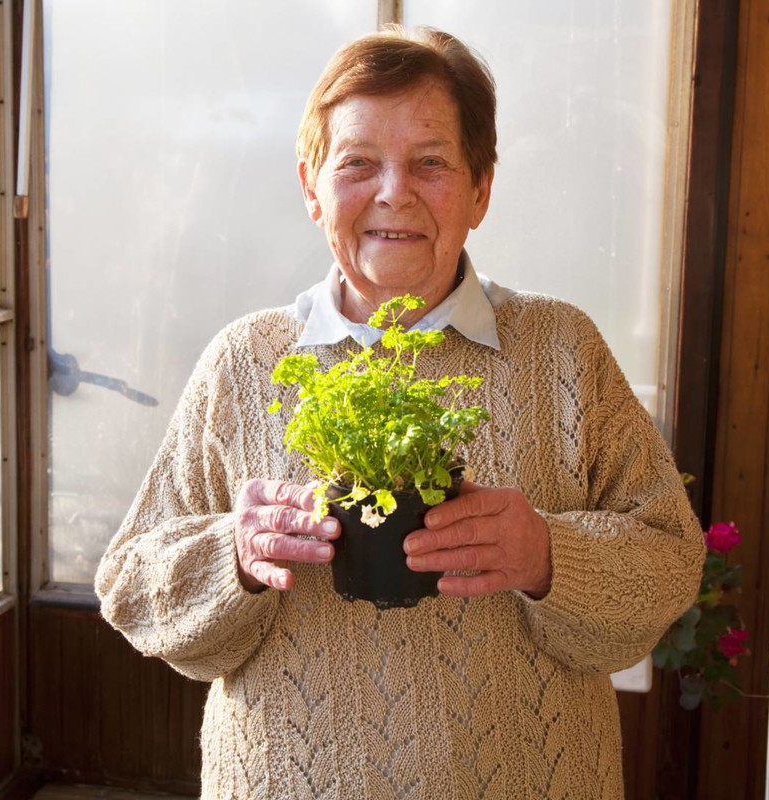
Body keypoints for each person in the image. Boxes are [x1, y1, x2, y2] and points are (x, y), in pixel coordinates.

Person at [95, 25, 704, 800]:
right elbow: (131, 588)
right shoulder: (243, 363)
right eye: (357, 163)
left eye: (430, 163)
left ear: (481, 189)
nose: (393, 193)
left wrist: (548, 555)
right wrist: (236, 554)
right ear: (311, 186)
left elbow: (670, 561)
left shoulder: (561, 350)